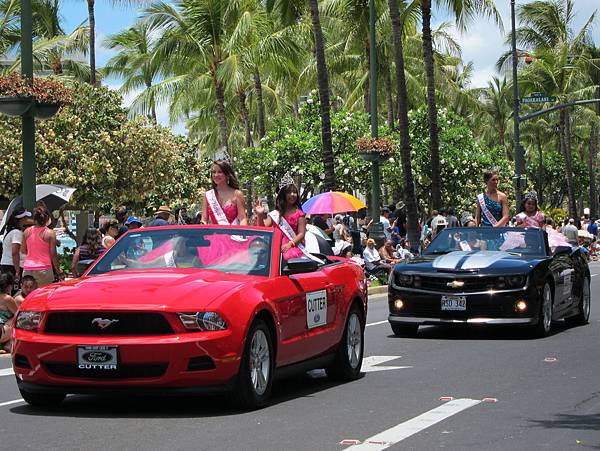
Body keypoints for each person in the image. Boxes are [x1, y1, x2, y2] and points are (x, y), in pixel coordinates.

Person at [255, 174, 314, 261]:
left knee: (287, 258)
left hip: (292, 247)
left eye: (294, 192)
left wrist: (290, 244)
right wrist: (260, 214)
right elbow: (262, 228)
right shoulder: (276, 214)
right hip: (275, 246)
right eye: (289, 192)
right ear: (283, 195)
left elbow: (301, 234)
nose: (293, 194)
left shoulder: (299, 214)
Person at [21, 203, 63, 287]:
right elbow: (53, 254)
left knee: (28, 297)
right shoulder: (50, 233)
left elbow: (23, 250)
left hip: (27, 269)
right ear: (47, 219)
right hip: (44, 269)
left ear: (34, 219)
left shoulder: (26, 232)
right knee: (43, 297)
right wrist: (58, 270)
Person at [201, 159, 247, 226]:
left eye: (220, 172)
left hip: (234, 235)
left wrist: (242, 235)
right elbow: (204, 220)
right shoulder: (208, 195)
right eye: (214, 172)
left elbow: (242, 219)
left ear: (227, 175)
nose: (216, 175)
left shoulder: (237, 194)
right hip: (215, 235)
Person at [1, 208, 31, 285]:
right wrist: (17, 271)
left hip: (9, 265)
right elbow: (15, 252)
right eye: (26, 218)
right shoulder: (16, 233)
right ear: (21, 220)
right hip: (12, 266)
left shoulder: (12, 231)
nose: (27, 219)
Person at [0, 272, 18, 353]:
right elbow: (18, 315)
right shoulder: (7, 298)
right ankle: (8, 344)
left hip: (2, 331)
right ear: (9, 286)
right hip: (1, 332)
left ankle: (7, 344)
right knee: (16, 319)